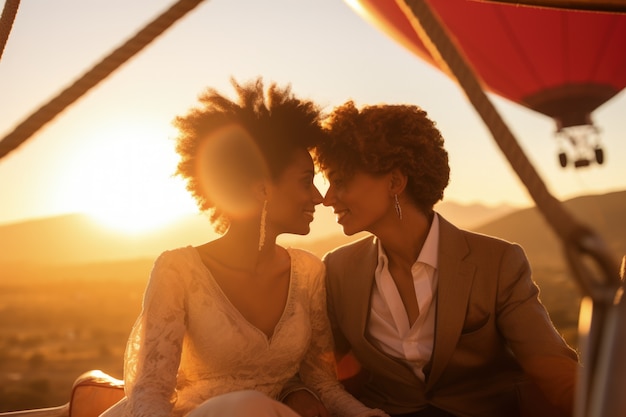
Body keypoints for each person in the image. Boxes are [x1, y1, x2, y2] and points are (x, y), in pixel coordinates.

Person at [100, 80, 387, 417]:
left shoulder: (309, 272)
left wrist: (367, 415)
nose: (318, 197)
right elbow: (150, 390)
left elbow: (321, 383)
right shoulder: (178, 270)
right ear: (261, 188)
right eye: (305, 180)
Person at [306, 101, 580, 417]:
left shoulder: (498, 262)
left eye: (340, 180)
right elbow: (322, 369)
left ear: (395, 182)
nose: (328, 198)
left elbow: (551, 365)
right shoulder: (338, 269)